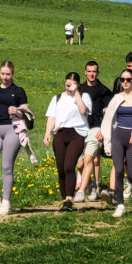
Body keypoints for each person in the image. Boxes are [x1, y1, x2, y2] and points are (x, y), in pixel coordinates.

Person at [0, 61, 28, 215]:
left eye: (8, 74)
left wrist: (17, 111)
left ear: (13, 74)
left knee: (7, 167)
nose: (5, 77)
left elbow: (27, 114)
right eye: (2, 74)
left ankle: (6, 202)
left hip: (12, 130)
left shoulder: (19, 91)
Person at [101, 69, 132, 217]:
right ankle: (120, 205)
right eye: (122, 80)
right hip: (118, 136)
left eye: (128, 79)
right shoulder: (116, 98)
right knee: (119, 171)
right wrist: (107, 143)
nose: (125, 82)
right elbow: (107, 120)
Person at [43, 72, 92, 211]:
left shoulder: (84, 96)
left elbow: (83, 110)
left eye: (72, 84)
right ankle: (65, 199)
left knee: (69, 166)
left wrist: (76, 93)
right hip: (60, 134)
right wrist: (47, 132)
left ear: (78, 84)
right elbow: (52, 116)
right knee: (61, 168)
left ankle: (69, 198)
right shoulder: (57, 98)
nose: (69, 87)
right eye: (67, 84)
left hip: (76, 134)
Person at [76, 61, 114, 203]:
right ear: (85, 72)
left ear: (98, 73)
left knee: (92, 158)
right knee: (80, 164)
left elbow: (108, 113)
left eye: (94, 71)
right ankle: (91, 184)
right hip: (81, 127)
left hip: (96, 127)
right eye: (89, 71)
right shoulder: (80, 89)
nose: (92, 74)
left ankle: (92, 188)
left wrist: (104, 130)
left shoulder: (103, 91)